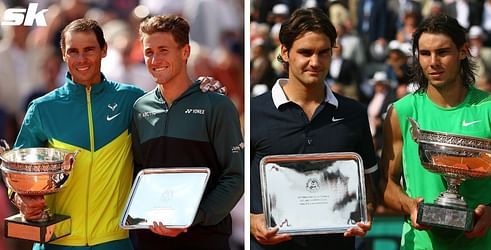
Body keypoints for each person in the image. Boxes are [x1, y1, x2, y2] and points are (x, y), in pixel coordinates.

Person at [8, 18, 224, 250]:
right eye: (73, 51)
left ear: (104, 50)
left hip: (114, 243)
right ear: (63, 54)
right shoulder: (42, 108)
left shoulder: (131, 100)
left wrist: (201, 91)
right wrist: (23, 201)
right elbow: (16, 176)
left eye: (89, 50)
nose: (81, 59)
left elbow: (173, 106)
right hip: (54, 243)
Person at [250, 7, 378, 250]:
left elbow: (369, 187)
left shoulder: (355, 113)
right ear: (285, 52)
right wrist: (250, 220)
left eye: (323, 53)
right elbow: (234, 180)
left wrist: (367, 212)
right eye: (305, 52)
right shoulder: (254, 113)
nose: (315, 62)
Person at [380, 14, 491, 250]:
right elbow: (386, 183)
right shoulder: (402, 111)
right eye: (425, 54)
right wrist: (410, 206)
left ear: (463, 51)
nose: (433, 62)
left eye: (443, 52)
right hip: (419, 245)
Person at [130, 15, 244, 250]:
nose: (155, 59)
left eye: (163, 50)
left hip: (205, 239)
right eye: (149, 51)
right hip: (150, 238)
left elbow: (235, 176)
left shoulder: (217, 106)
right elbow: (139, 173)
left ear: (185, 52)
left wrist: (196, 216)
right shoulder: (139, 108)